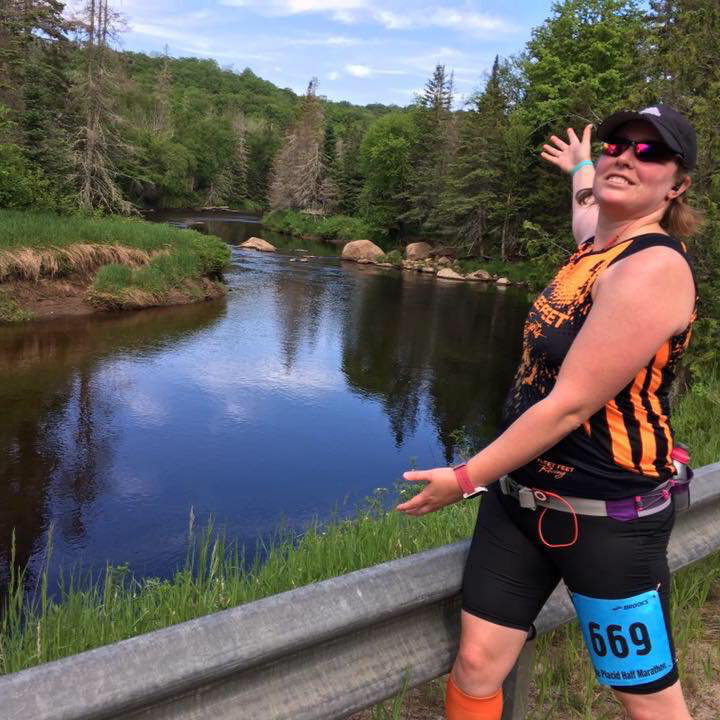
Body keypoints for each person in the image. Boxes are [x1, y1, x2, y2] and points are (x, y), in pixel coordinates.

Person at [397, 105, 701, 720]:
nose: (627, 156)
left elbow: (571, 405)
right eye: (619, 144)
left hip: (608, 518)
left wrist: (463, 478)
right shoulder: (598, 243)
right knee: (478, 664)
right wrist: (583, 166)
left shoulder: (654, 268)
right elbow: (588, 208)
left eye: (650, 153)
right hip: (519, 504)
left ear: (678, 185)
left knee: (647, 702)